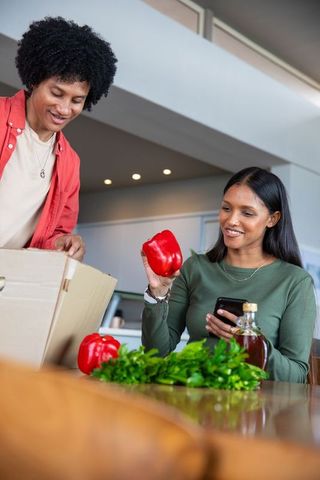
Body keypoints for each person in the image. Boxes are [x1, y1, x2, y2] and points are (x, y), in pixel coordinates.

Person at [141, 166, 316, 383]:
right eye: (226, 208)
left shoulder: (294, 282)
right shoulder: (195, 268)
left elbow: (296, 376)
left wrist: (251, 343)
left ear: (273, 219)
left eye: (247, 213)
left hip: (256, 410)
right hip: (193, 400)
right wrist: (157, 294)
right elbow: (156, 353)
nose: (231, 220)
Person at [0, 16, 117, 260]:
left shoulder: (69, 163)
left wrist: (65, 242)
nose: (64, 109)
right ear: (34, 81)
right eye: (57, 93)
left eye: (77, 100)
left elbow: (55, 232)